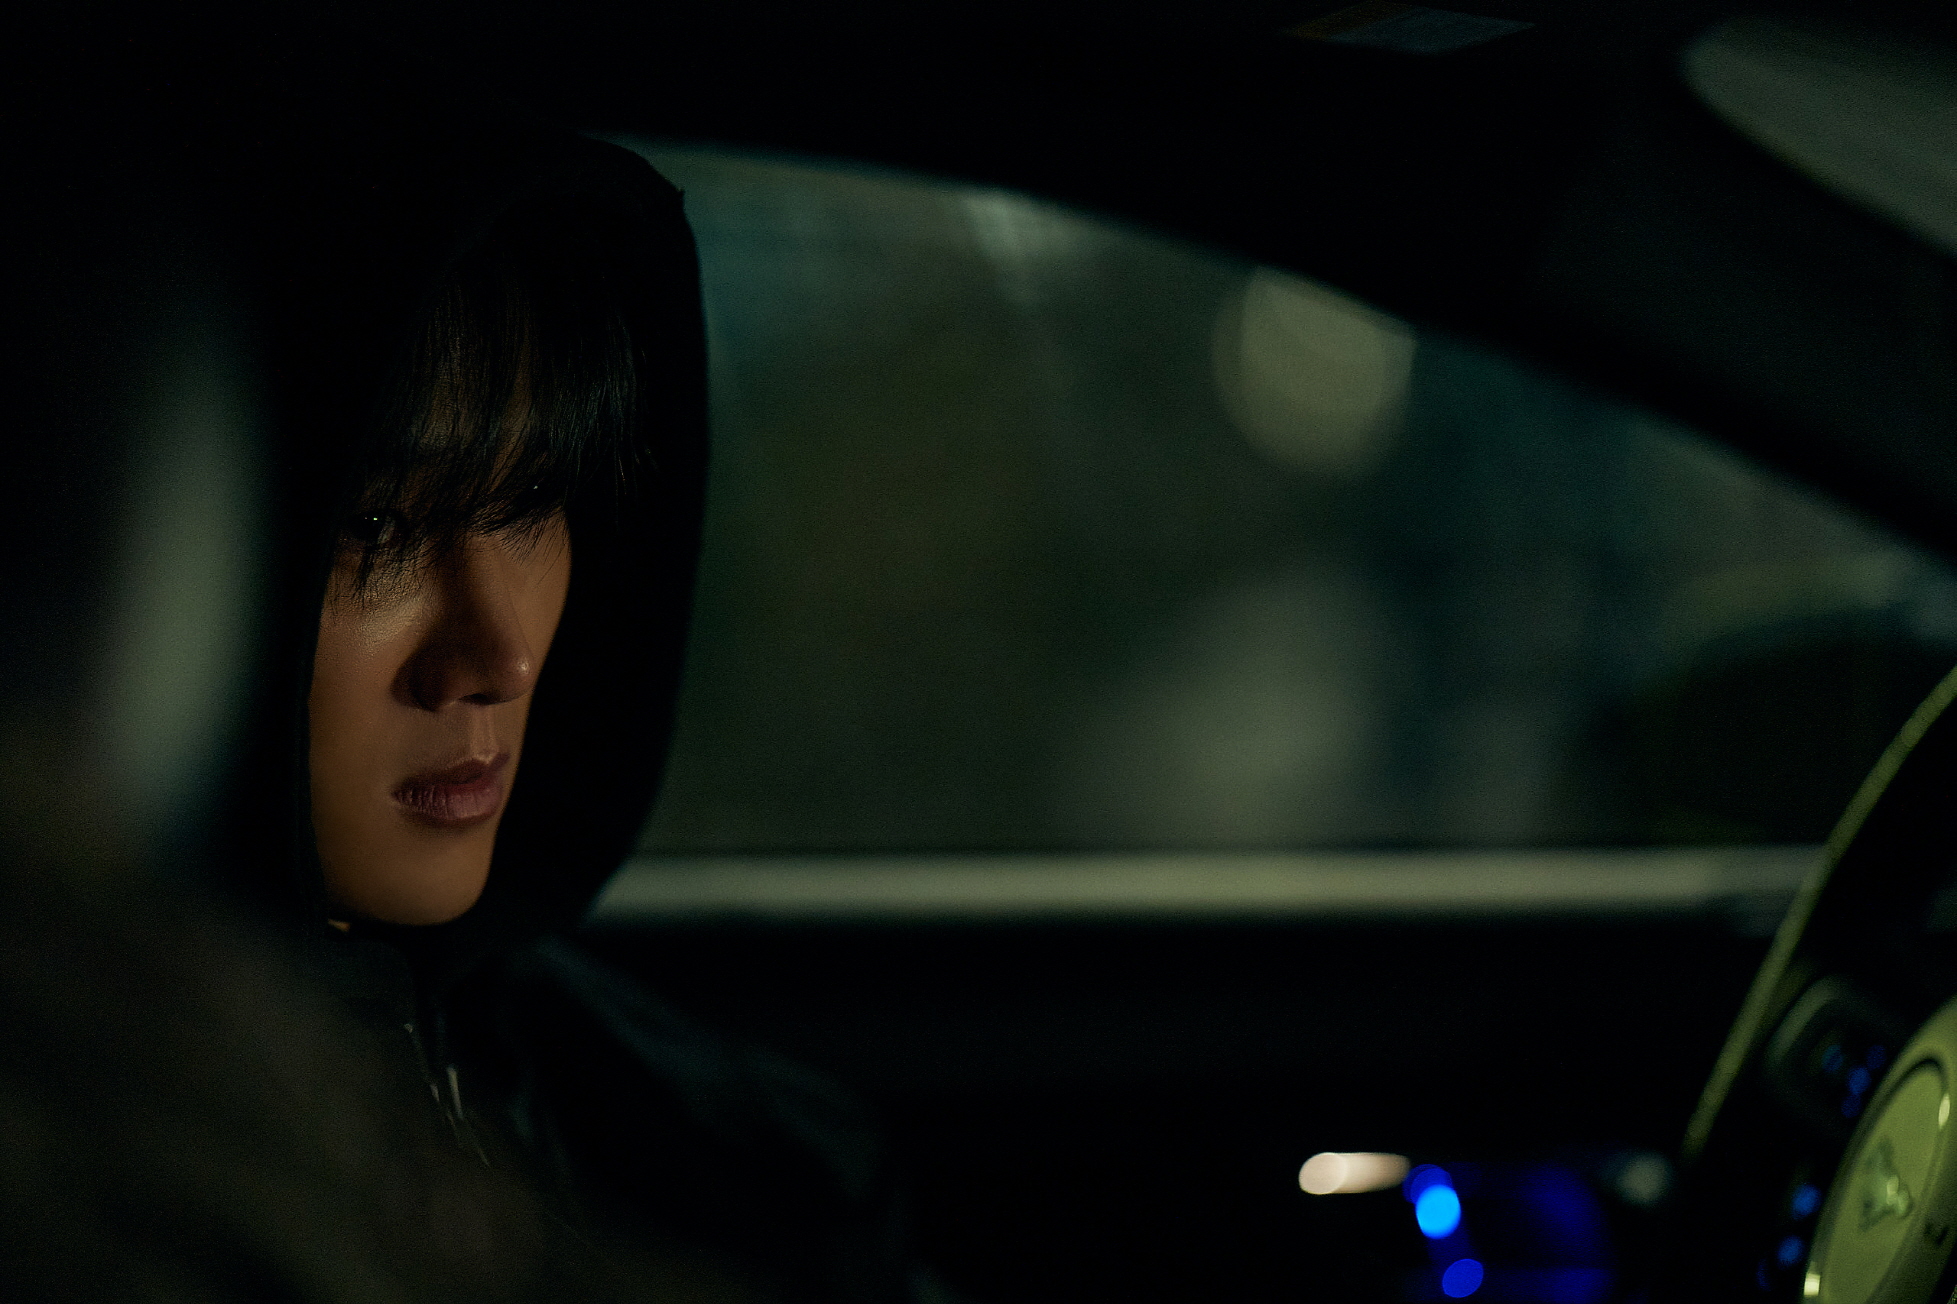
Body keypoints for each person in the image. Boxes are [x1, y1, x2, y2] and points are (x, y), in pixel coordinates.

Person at [185, 31, 944, 1304]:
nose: (502, 654)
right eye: (375, 532)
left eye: (531, 501)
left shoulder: (737, 1157)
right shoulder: (105, 1166)